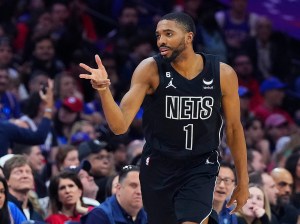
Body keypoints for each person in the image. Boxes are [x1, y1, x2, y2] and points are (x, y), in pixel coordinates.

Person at [79, 12, 249, 224]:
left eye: (168, 34)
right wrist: (104, 90)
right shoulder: (149, 69)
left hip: (200, 165)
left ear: (189, 37)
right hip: (158, 165)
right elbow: (119, 126)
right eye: (158, 35)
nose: (161, 41)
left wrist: (243, 181)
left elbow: (234, 129)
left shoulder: (222, 74)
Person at [81, 165, 147, 224]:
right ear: (118, 188)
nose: (139, 191)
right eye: (133, 186)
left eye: (142, 186)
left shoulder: (148, 215)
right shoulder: (100, 215)